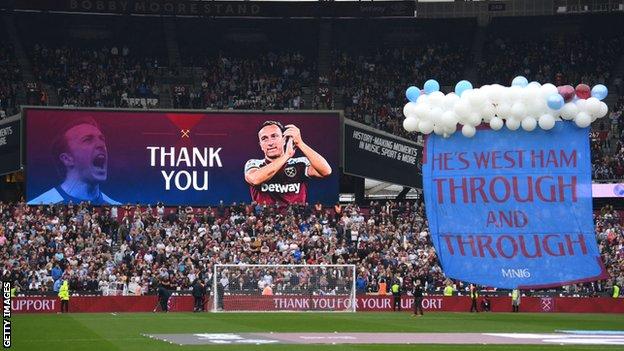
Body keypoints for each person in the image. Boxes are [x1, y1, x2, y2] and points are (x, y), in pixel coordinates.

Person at [28, 116, 121, 205]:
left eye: (101, 139)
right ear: (67, 159)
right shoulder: (41, 203)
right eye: (87, 140)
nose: (101, 145)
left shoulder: (115, 205)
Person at [244, 121, 332, 205]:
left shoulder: (300, 163)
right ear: (261, 145)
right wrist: (286, 156)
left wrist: (300, 143)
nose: (270, 143)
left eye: (274, 136)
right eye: (264, 139)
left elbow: (326, 171)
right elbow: (255, 179)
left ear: (284, 140)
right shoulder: (254, 164)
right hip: (264, 219)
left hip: (295, 218)